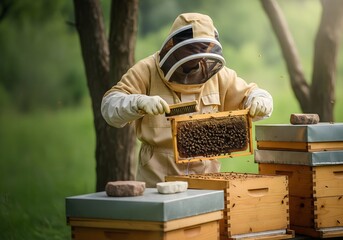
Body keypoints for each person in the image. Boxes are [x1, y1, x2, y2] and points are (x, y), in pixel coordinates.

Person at [101, 13, 273, 187]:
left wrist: (259, 100)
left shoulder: (219, 76)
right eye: (193, 49)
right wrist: (137, 102)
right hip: (158, 182)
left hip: (207, 180)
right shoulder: (146, 70)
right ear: (174, 44)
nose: (199, 56)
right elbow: (109, 107)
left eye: (204, 48)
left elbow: (251, 95)